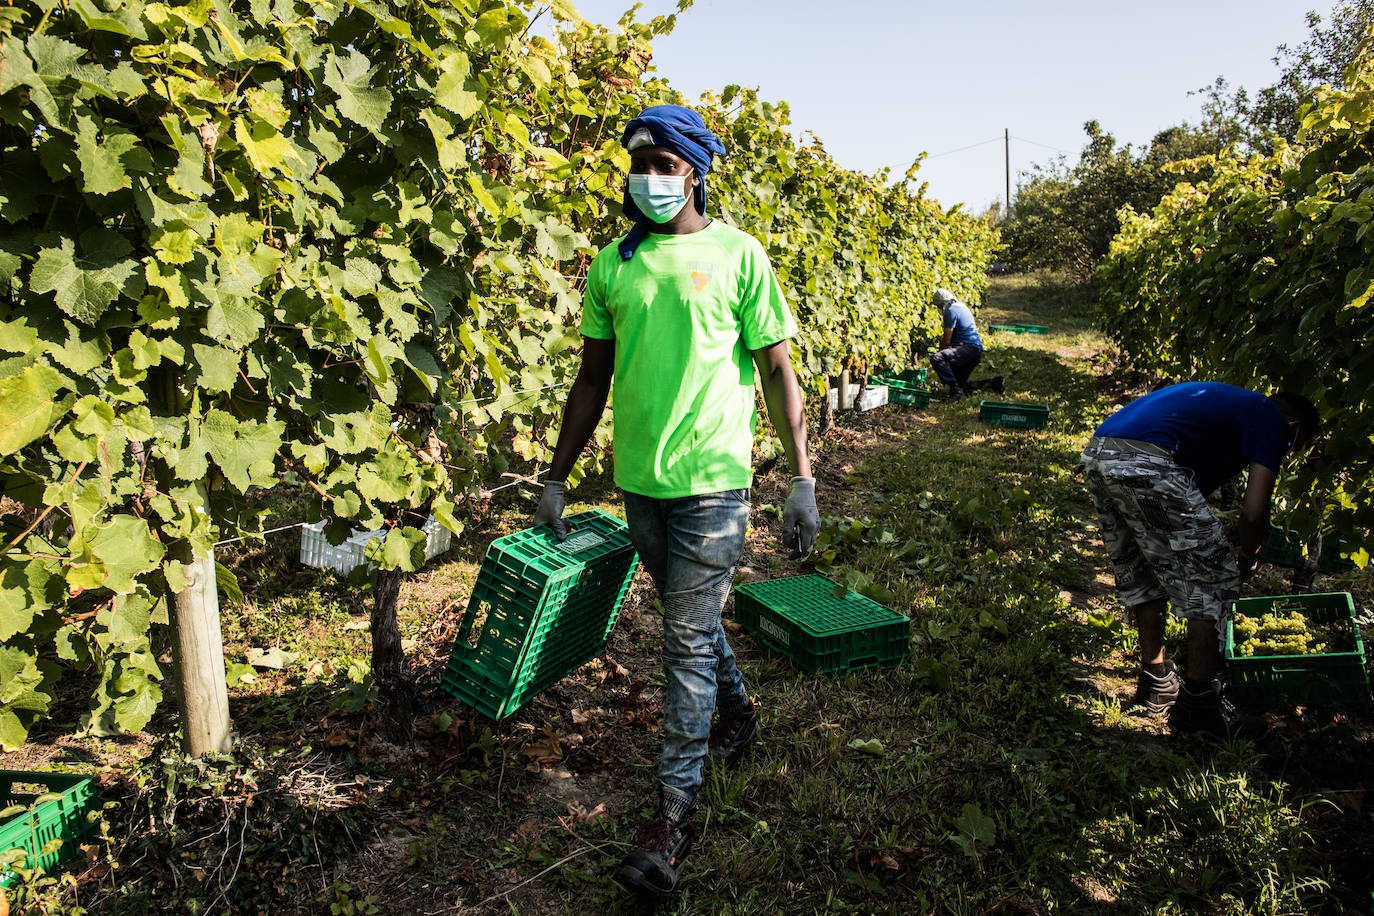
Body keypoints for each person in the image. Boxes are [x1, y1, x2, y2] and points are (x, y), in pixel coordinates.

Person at [532, 104, 819, 901]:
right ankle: (741, 716)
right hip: (641, 487)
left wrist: (801, 475)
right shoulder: (613, 266)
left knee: (683, 644)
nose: (647, 178)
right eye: (638, 164)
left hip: (715, 486)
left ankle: (671, 816)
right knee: (688, 624)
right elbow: (591, 379)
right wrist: (556, 474)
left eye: (662, 163)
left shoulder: (737, 255)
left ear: (693, 170)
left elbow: (777, 371)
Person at [1078, 383, 1319, 739]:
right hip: (1145, 460)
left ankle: (1157, 681)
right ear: (1295, 428)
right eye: (1295, 449)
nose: (1286, 455)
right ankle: (1199, 706)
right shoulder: (1272, 420)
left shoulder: (1233, 410)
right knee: (1215, 575)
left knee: (1143, 566)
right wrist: (1248, 557)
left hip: (1100, 452)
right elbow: (1253, 516)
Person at [928, 288, 1001, 400]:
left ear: (944, 303)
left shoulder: (950, 311)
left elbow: (947, 340)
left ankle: (956, 392)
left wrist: (937, 357)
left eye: (939, 306)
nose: (939, 308)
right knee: (961, 385)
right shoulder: (961, 307)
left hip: (965, 350)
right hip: (975, 352)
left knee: (938, 358)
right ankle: (992, 383)